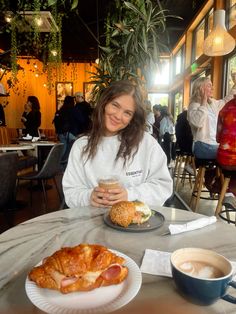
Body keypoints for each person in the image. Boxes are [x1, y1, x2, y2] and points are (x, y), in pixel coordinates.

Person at [63, 80, 173, 208]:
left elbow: (163, 185)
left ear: (132, 118)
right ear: (104, 104)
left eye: (127, 113)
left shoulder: (146, 143)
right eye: (115, 105)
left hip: (136, 224)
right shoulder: (80, 146)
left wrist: (129, 195)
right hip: (91, 223)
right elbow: (71, 192)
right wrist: (89, 197)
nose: (118, 116)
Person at [187, 76, 236, 160]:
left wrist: (235, 85)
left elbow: (225, 101)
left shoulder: (212, 103)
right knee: (230, 155)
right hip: (202, 146)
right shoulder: (193, 105)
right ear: (200, 88)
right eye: (209, 85)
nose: (212, 88)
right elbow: (198, 123)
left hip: (215, 145)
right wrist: (204, 100)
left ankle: (220, 173)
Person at [216, 96, 236, 207]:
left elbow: (218, 139)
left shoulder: (226, 107)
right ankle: (231, 192)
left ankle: (228, 192)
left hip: (223, 159)